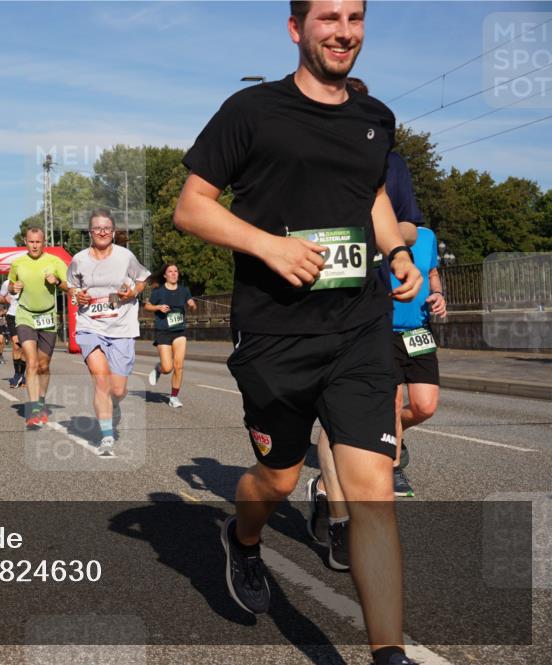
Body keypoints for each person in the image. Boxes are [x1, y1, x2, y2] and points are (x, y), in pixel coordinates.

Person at [173, 3, 423, 664]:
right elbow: (191, 206)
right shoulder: (251, 111)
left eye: (356, 17)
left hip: (359, 329)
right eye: (328, 17)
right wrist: (269, 248)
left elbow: (369, 192)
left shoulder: (376, 120)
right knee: (279, 478)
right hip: (275, 333)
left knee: (374, 490)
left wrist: (395, 249)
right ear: (296, 28)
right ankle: (243, 538)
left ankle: (387, 654)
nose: (344, 31)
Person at [307, 76, 431, 570]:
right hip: (314, 303)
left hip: (372, 303)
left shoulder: (390, 164)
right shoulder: (305, 157)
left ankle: (356, 513)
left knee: (372, 406)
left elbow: (407, 222)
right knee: (327, 415)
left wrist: (390, 242)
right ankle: (337, 516)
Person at [67, 209, 150, 454]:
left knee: (118, 389)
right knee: (100, 379)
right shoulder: (79, 259)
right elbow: (71, 287)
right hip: (90, 325)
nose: (102, 232)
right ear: (90, 233)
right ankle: (106, 436)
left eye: (106, 228)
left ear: (112, 232)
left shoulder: (125, 256)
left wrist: (133, 292)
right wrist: (76, 295)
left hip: (121, 327)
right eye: (97, 228)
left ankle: (114, 403)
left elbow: (142, 279)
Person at [8, 227, 68, 429]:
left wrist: (57, 281)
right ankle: (34, 409)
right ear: (25, 242)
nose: (34, 245)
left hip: (47, 317)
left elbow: (70, 286)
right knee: (32, 362)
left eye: (38, 242)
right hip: (25, 315)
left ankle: (41, 401)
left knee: (43, 365)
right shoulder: (18, 263)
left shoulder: (54, 261)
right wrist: (12, 288)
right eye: (31, 241)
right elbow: (10, 283)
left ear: (44, 242)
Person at [145, 263, 197, 408]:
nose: (174, 274)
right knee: (168, 368)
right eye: (170, 271)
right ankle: (159, 368)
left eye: (176, 271)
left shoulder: (184, 291)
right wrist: (158, 307)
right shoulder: (158, 292)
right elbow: (147, 306)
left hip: (179, 331)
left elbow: (192, 307)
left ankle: (174, 397)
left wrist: (192, 305)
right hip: (163, 331)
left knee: (179, 366)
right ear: (165, 275)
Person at [0, 277, 25, 387]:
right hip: (13, 315)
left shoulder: (29, 279)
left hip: (27, 316)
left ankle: (22, 375)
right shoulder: (7, 282)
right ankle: (17, 375)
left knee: (25, 347)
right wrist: (5, 299)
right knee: (16, 345)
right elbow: (0, 298)